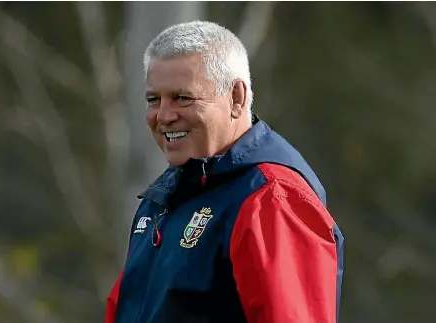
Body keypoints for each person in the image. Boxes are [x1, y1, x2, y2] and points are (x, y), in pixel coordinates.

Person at [105, 21, 344, 323]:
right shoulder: (167, 195)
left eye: (183, 97)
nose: (164, 116)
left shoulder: (270, 198)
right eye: (154, 99)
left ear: (236, 98)